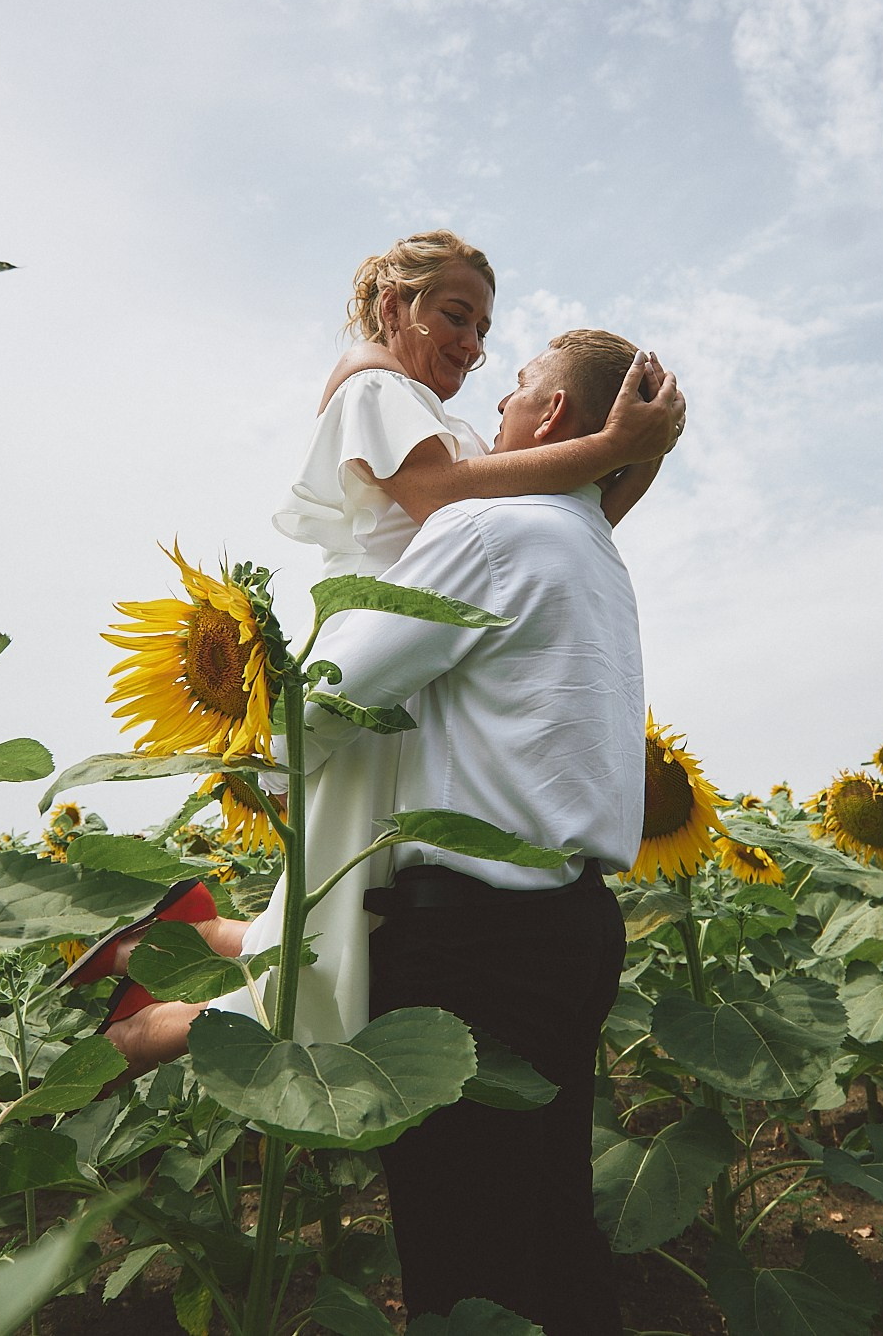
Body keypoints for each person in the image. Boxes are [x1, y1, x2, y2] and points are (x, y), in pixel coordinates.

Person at [104, 231, 681, 1051]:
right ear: (391, 306)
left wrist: (638, 457)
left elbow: (547, 536)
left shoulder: (442, 424)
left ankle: (175, 950)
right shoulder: (376, 389)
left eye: (484, 330)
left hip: (421, 661)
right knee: (343, 917)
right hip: (383, 650)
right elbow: (447, 501)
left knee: (350, 907)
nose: (475, 346)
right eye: (456, 315)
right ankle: (149, 1019)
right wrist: (618, 447)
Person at [297, 327, 649, 1336]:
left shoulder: (488, 531)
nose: (490, 413)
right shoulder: (591, 551)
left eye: (516, 393)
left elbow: (331, 695)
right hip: (573, 926)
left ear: (548, 420)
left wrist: (267, 751)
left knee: (468, 1261)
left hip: (474, 944)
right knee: (549, 1229)